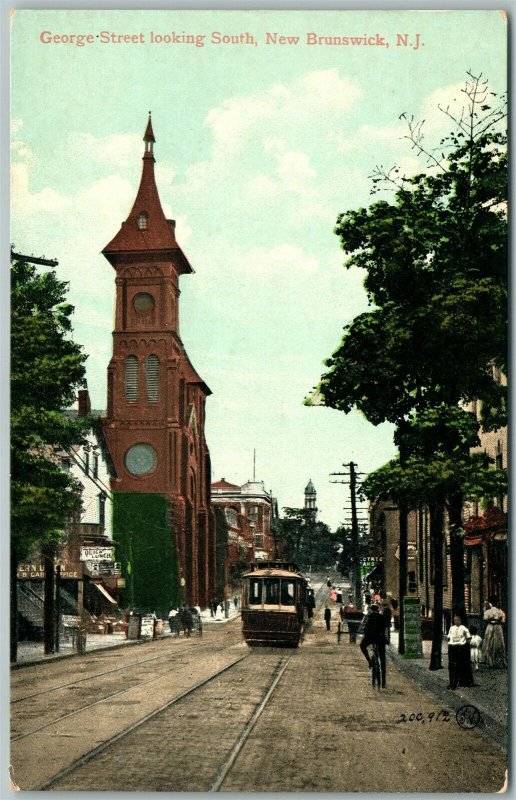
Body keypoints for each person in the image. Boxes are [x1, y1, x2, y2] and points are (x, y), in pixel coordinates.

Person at [360, 604, 387, 688]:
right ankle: (383, 682)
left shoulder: (368, 616)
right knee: (382, 659)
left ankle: (370, 661)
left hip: (370, 638)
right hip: (380, 638)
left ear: (371, 610)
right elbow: (385, 628)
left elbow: (363, 627)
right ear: (378, 610)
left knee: (362, 646)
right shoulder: (382, 617)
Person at [447, 614, 471, 689]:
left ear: (460, 621)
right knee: (451, 665)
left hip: (459, 648)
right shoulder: (451, 628)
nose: (456, 621)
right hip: (452, 647)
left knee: (457, 666)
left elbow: (469, 638)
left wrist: (464, 645)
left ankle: (455, 683)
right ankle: (451, 683)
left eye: (458, 620)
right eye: (455, 620)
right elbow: (449, 637)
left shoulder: (463, 628)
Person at [483, 599, 507, 668]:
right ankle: (499, 662)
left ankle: (490, 662)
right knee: (499, 643)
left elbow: (485, 620)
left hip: (490, 627)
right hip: (498, 628)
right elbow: (503, 622)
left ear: (490, 603)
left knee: (489, 643)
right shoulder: (501, 612)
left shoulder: (487, 612)